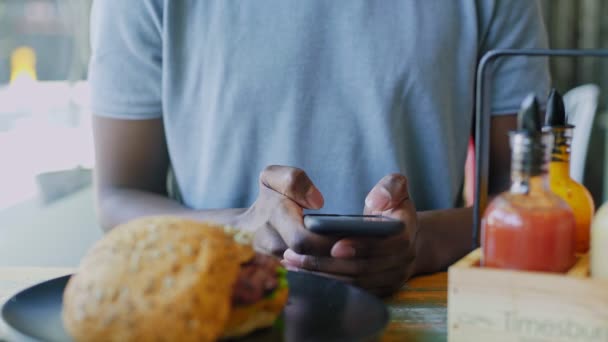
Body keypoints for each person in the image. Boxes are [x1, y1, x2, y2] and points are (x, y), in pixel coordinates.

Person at [89, 1, 550, 296]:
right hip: (217, 305)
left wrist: (420, 242)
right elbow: (118, 196)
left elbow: (530, 197)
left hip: (420, 309)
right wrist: (237, 232)